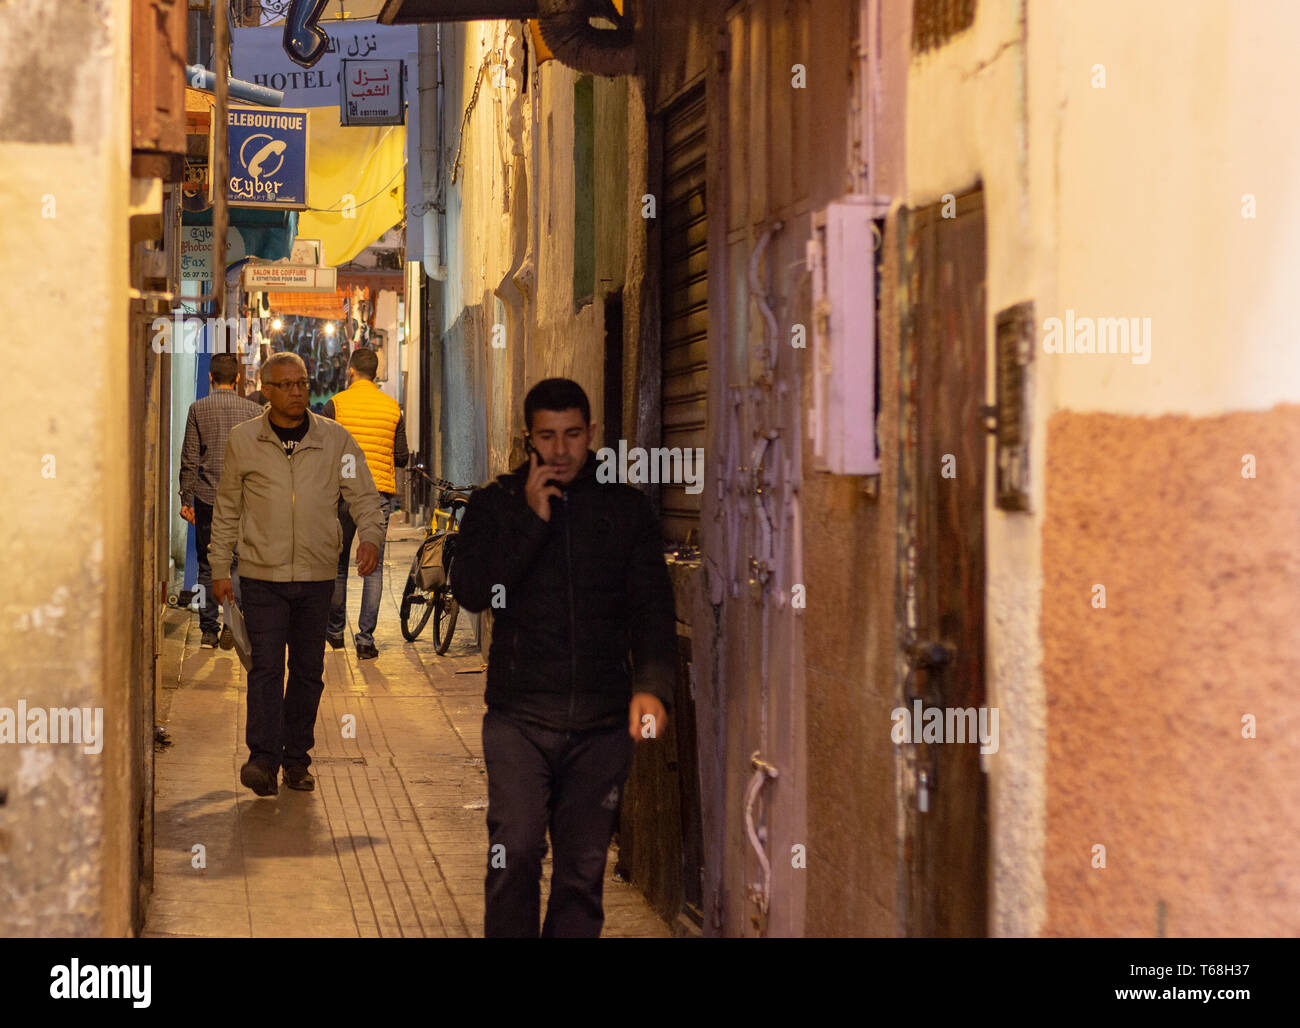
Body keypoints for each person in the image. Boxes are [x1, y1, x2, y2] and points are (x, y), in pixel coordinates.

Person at [451, 377, 677, 937]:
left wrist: (651, 684)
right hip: (518, 719)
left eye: (572, 434)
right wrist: (531, 520)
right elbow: (473, 591)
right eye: (547, 436)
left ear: (591, 432)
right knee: (517, 849)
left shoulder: (625, 512)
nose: (560, 450)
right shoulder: (495, 505)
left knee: (581, 873)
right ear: (528, 438)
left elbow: (651, 607)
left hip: (601, 726)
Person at [209, 352, 386, 797]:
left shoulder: (335, 441)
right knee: (266, 668)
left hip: (316, 574)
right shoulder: (243, 441)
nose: (296, 392)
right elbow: (227, 509)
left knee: (308, 671)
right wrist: (218, 568)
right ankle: (262, 761)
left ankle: (297, 760)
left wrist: (371, 537)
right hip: (260, 575)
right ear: (265, 391)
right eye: (285, 385)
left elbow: (364, 495)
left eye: (301, 384)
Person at [321, 346, 409, 659]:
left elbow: (320, 448)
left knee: (338, 564)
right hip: (379, 494)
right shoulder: (392, 408)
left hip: (342, 493)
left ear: (351, 370)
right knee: (373, 568)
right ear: (376, 373)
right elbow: (401, 456)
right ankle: (366, 639)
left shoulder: (336, 404)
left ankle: (334, 632)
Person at [178, 352, 264, 649]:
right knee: (238, 562)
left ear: (211, 378)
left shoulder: (197, 409)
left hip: (207, 496)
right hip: (242, 499)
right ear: (238, 378)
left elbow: (189, 457)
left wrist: (185, 497)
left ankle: (208, 630)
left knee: (206, 562)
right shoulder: (252, 411)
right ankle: (233, 620)